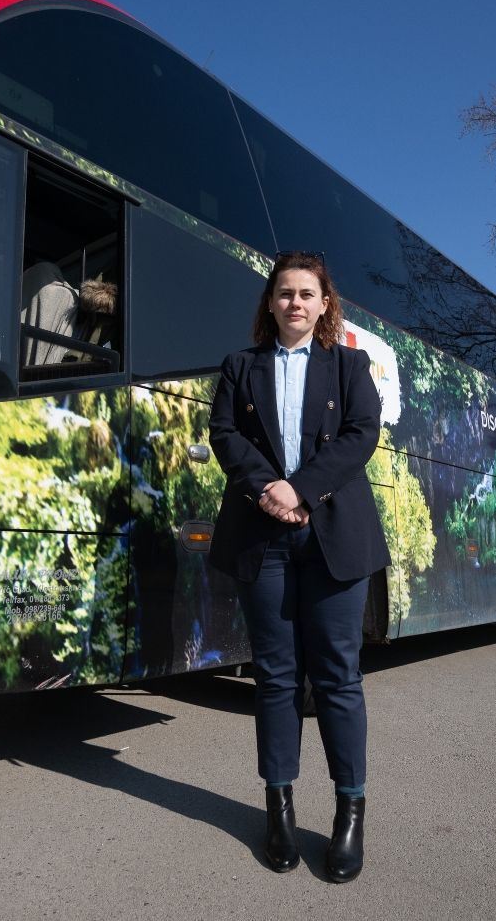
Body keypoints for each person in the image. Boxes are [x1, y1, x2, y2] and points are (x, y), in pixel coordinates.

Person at [208, 251, 390, 882]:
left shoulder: (349, 364)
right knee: (276, 678)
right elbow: (224, 435)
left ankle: (349, 813)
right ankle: (278, 809)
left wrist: (301, 489)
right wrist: (267, 488)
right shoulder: (240, 366)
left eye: (307, 294)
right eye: (284, 293)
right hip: (264, 538)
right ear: (270, 303)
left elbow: (361, 434)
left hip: (335, 538)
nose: (295, 303)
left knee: (338, 675)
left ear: (323, 304)